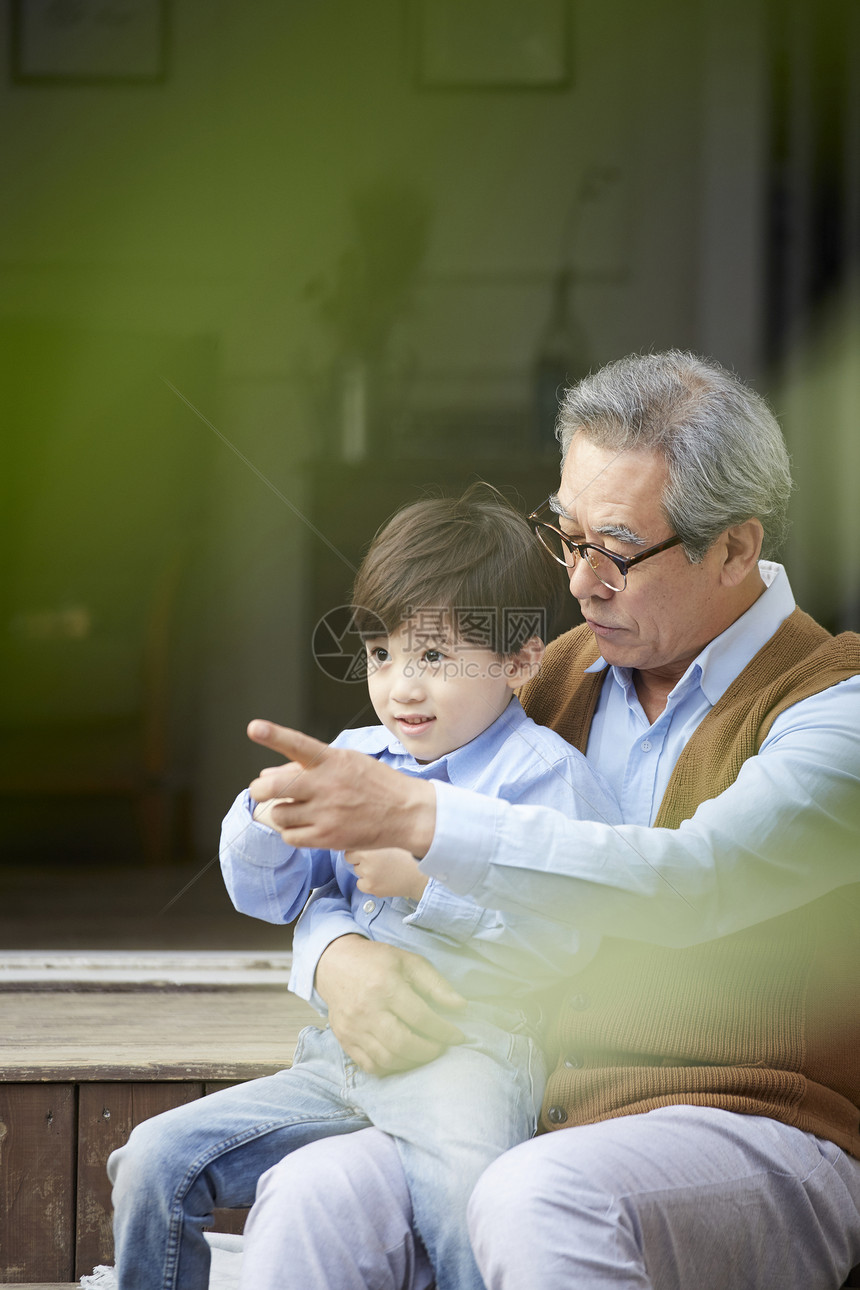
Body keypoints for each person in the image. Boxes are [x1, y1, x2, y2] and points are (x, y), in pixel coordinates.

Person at [238, 350, 860, 1290]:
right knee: (310, 1193)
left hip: (755, 1128)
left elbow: (689, 883)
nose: (578, 582)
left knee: (538, 1196)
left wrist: (418, 816)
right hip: (515, 1098)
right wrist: (335, 954)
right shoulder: (539, 671)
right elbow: (349, 869)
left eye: (614, 548)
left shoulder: (835, 709)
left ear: (735, 547)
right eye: (564, 536)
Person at [107, 484, 620, 1290]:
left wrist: (427, 884)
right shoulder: (357, 758)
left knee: (468, 1213)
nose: (401, 687)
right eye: (383, 654)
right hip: (336, 1056)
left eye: (435, 656)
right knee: (152, 1160)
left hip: (469, 1059)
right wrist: (262, 814)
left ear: (521, 660)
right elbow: (268, 897)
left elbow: (570, 938)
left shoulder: (545, 778)